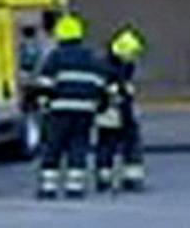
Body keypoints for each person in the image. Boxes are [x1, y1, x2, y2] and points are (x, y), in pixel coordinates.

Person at [36, 13, 106, 199]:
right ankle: (75, 187)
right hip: (85, 111)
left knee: (53, 147)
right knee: (79, 147)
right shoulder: (92, 57)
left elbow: (44, 85)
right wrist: (99, 107)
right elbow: (101, 86)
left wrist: (43, 105)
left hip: (59, 111)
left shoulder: (55, 57)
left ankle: (48, 188)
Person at [95, 24, 147, 194]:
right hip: (109, 111)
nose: (133, 58)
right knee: (107, 145)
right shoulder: (106, 66)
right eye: (132, 54)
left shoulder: (125, 65)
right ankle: (104, 179)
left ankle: (131, 178)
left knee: (130, 143)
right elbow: (104, 89)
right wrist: (120, 91)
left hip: (123, 109)